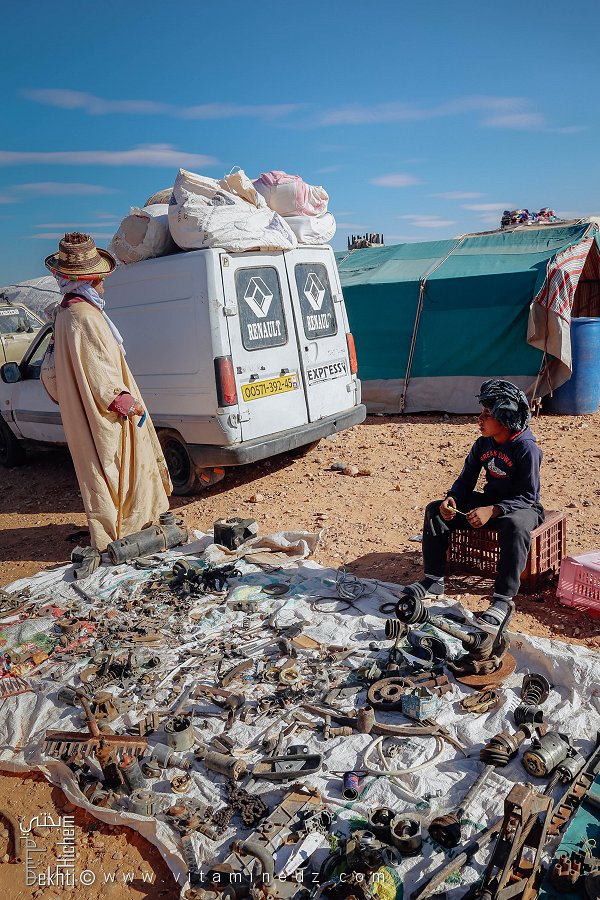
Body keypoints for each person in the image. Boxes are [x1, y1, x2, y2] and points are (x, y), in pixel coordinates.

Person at [45, 232, 172, 553]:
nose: (103, 283)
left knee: (107, 472)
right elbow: (98, 368)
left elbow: (55, 374)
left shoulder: (66, 314)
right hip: (108, 414)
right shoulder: (83, 317)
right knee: (120, 471)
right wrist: (124, 402)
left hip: (89, 411)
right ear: (88, 278)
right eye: (99, 277)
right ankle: (129, 531)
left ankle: (132, 526)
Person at [400, 379, 543, 626]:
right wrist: (452, 498)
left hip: (522, 507)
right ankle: (434, 580)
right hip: (490, 502)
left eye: (487, 414)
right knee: (435, 510)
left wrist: (494, 510)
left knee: (515, 526)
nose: (479, 418)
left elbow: (529, 495)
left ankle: (502, 598)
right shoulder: (482, 444)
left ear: (505, 418)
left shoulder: (525, 448)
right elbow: (465, 481)